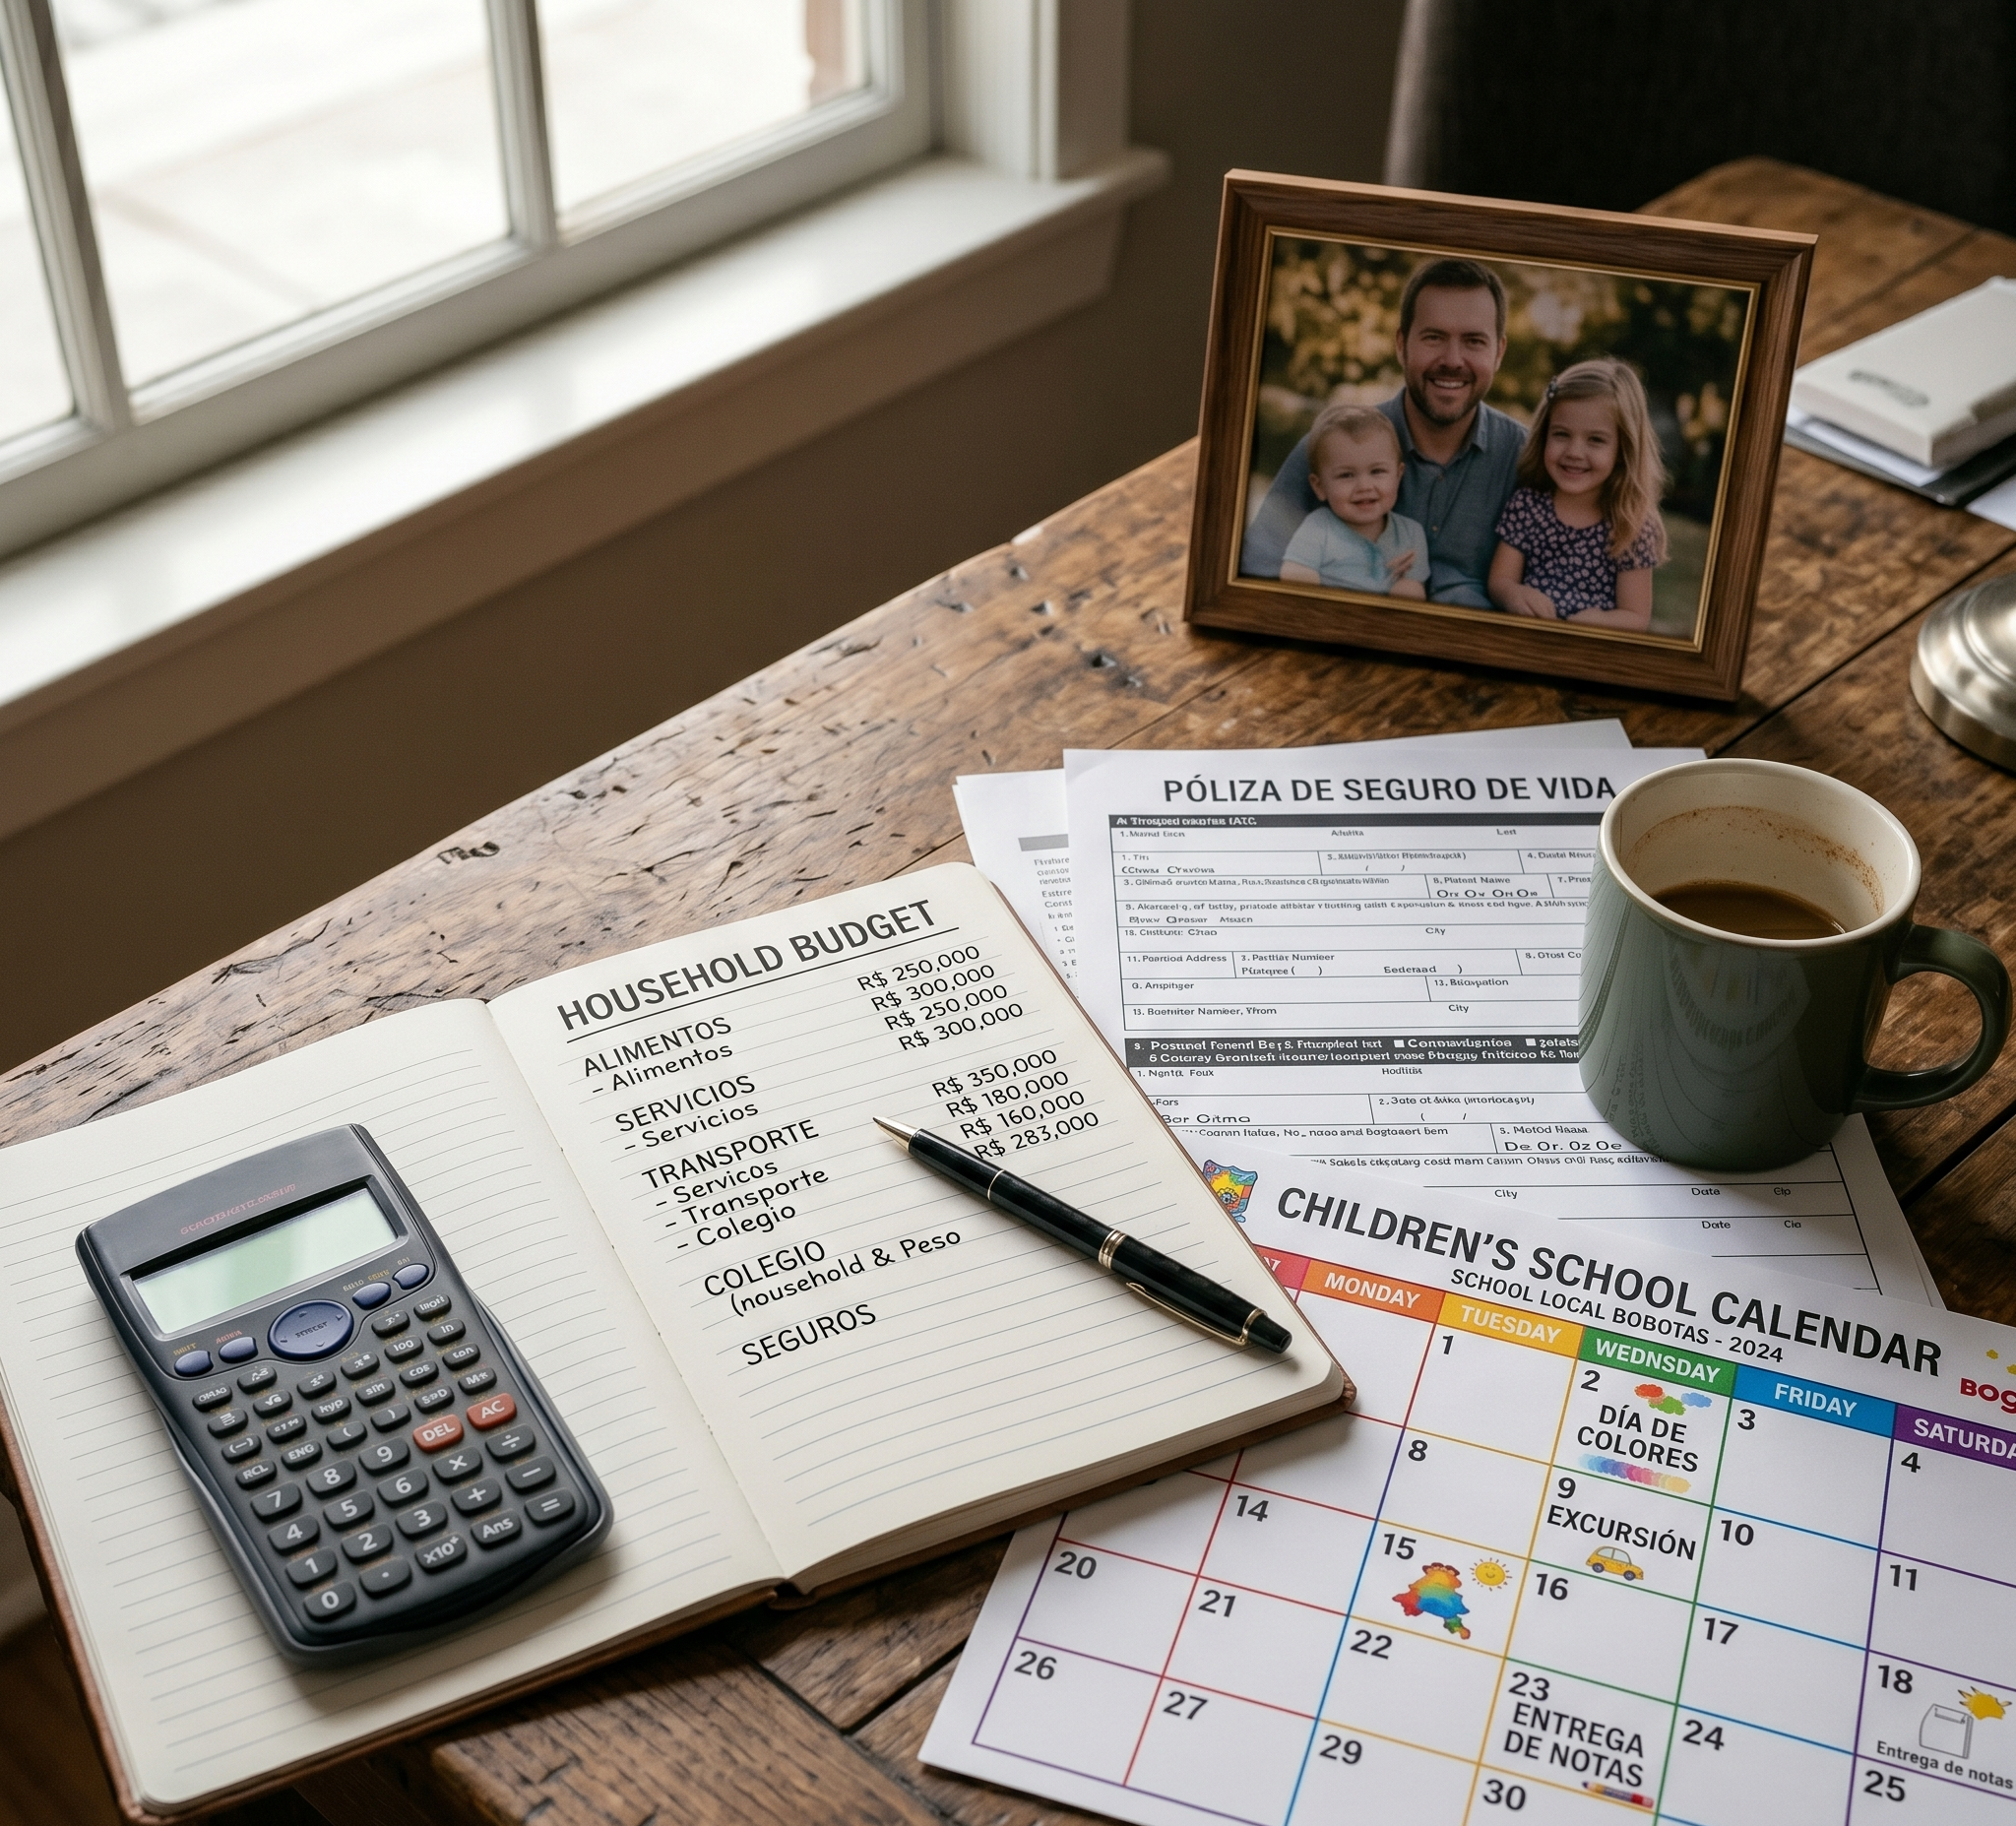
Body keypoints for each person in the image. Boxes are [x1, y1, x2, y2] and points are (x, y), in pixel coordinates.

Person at [1241, 256, 1524, 607]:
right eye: (1434, 337)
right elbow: (1256, 570)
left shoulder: (1528, 460)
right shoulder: (1331, 447)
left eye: (1474, 341)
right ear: (1401, 345)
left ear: (1499, 352)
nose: (1453, 360)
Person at [1487, 358, 1668, 634]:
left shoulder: (1632, 525)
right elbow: (1501, 581)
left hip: (1590, 647)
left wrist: (1596, 623)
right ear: (1544, 435)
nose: (1574, 452)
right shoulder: (1528, 505)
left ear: (1623, 450)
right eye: (1561, 434)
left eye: (1595, 440)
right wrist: (1513, 594)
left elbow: (1635, 617)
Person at [1278, 405, 1429, 598]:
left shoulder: (1411, 533)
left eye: (1377, 471)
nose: (1364, 486)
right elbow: (1294, 575)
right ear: (1319, 486)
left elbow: (1413, 588)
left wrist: (1405, 589)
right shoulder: (1319, 527)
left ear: (1398, 476)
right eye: (1346, 475)